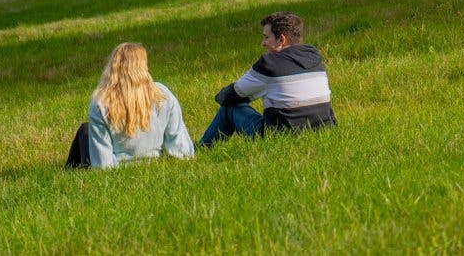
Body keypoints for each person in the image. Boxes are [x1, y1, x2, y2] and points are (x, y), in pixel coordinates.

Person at [199, 11, 336, 147]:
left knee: (229, 108)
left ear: (281, 39)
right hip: (323, 132)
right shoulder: (314, 56)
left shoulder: (269, 64)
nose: (263, 43)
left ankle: (200, 150)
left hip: (280, 139)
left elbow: (231, 95)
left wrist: (220, 97)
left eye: (266, 37)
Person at [65, 42, 194, 168]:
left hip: (117, 168)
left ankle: (68, 171)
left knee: (85, 130)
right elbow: (182, 151)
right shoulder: (163, 96)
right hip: (154, 163)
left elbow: (102, 164)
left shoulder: (101, 104)